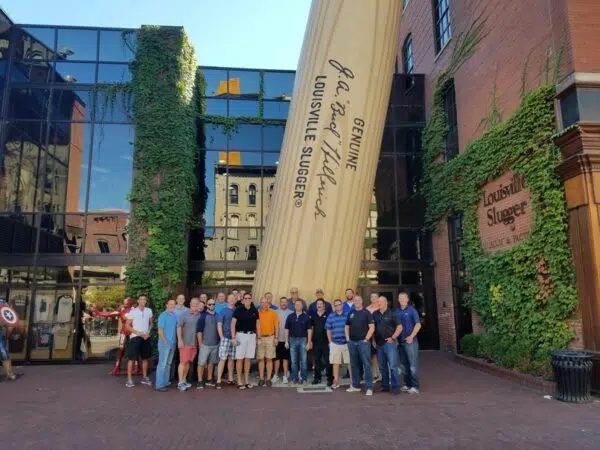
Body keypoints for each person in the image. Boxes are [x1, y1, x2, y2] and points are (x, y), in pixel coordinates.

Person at [345, 295, 375, 396]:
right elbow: (346, 327)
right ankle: (356, 386)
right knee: (354, 365)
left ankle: (369, 387)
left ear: (362, 301)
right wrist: (348, 339)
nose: (357, 301)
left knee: (366, 364)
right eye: (355, 300)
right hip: (352, 343)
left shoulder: (367, 313)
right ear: (353, 302)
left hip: (363, 343)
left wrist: (366, 339)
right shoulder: (351, 313)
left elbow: (372, 327)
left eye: (359, 300)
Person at [373, 296, 402, 394]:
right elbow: (373, 329)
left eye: (381, 301)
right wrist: (373, 340)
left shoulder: (392, 313)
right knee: (382, 367)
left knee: (393, 366)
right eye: (378, 302)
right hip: (379, 344)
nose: (379, 303)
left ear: (386, 303)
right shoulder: (375, 314)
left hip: (389, 344)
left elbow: (399, 327)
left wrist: (393, 337)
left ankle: (395, 387)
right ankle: (385, 386)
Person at [232, 292, 259, 389]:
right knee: (240, 358)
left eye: (249, 298)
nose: (247, 300)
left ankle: (247, 381)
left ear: (251, 299)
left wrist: (258, 337)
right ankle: (239, 381)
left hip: (251, 336)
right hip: (240, 335)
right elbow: (233, 323)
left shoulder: (254, 310)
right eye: (246, 298)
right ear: (243, 300)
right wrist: (233, 337)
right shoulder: (238, 310)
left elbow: (257, 324)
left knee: (248, 359)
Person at [125, 295, 153, 388]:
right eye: (141, 299)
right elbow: (127, 326)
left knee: (145, 358)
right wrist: (138, 332)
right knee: (131, 359)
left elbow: (151, 323)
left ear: (146, 301)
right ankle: (129, 379)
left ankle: (144, 378)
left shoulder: (149, 311)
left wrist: (148, 332)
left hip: (145, 338)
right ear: (138, 301)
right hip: (135, 337)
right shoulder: (133, 312)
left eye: (144, 299)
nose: (142, 301)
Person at [396, 292, 422, 394]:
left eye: (404, 298)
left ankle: (415, 386)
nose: (402, 300)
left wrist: (411, 336)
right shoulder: (396, 311)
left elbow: (418, 324)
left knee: (412, 365)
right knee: (403, 365)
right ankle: (407, 384)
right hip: (400, 342)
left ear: (407, 299)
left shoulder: (412, 310)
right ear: (398, 300)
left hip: (411, 342)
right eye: (400, 298)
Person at [285, 299, 312, 386]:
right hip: (292, 340)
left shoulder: (306, 317)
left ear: (302, 306)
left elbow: (309, 330)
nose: (297, 306)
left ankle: (304, 379)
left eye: (299, 304)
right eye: (296, 304)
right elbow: (286, 329)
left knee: (303, 361)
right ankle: (294, 378)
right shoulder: (290, 316)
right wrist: (286, 341)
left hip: (303, 340)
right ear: (294, 306)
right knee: (293, 361)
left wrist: (309, 342)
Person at [176, 297, 202, 391]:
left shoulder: (199, 315)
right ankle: (180, 383)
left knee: (187, 362)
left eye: (196, 303)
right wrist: (180, 340)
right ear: (190, 303)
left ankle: (184, 380)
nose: (194, 304)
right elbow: (179, 327)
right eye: (192, 303)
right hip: (185, 343)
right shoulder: (184, 314)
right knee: (183, 362)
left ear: (199, 304)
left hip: (194, 343)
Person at [326, 299, 351, 389]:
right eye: (335, 305)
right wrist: (330, 342)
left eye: (339, 305)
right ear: (334, 306)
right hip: (335, 342)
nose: (337, 306)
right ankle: (336, 381)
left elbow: (351, 327)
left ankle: (353, 382)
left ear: (342, 305)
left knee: (349, 362)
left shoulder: (347, 315)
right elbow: (328, 329)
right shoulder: (331, 316)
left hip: (347, 342)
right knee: (335, 363)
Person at [196, 298, 220, 389]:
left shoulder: (218, 315)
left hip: (215, 344)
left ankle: (209, 379)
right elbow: (199, 331)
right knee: (201, 363)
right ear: (207, 305)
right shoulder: (202, 316)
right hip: (205, 344)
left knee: (211, 363)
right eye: (209, 304)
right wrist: (200, 344)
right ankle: (199, 380)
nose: (211, 306)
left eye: (213, 304)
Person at [155, 299, 178, 392]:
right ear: (166, 305)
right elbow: (160, 331)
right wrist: (166, 342)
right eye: (170, 304)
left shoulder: (175, 315)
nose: (172, 305)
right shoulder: (163, 315)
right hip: (165, 344)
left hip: (173, 343)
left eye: (174, 304)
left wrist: (174, 342)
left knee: (168, 364)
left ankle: (165, 381)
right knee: (162, 364)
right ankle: (159, 385)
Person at [257, 296, 279, 387]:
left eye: (266, 302)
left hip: (270, 337)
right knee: (261, 359)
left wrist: (276, 338)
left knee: (269, 359)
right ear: (260, 303)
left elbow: (276, 326)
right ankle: (261, 378)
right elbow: (256, 326)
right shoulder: (257, 313)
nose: (264, 304)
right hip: (260, 338)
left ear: (268, 303)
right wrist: (257, 338)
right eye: (262, 302)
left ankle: (268, 379)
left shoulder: (273, 313)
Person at [216, 294, 236, 389]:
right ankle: (219, 380)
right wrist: (221, 337)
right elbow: (219, 324)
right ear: (227, 300)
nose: (232, 300)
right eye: (230, 298)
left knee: (231, 359)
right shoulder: (223, 311)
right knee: (222, 359)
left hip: (235, 338)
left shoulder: (237, 310)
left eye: (233, 298)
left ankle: (230, 379)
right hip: (226, 338)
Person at [310, 299, 333, 386]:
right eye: (317, 304)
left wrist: (331, 341)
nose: (319, 305)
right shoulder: (313, 316)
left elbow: (331, 328)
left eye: (321, 304)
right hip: (316, 342)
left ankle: (330, 379)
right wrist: (310, 341)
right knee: (316, 361)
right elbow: (311, 328)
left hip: (326, 342)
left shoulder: (329, 315)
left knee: (328, 361)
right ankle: (317, 378)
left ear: (324, 305)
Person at [272, 297, 292, 384]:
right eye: (282, 302)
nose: (283, 303)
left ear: (287, 303)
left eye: (285, 302)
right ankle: (275, 375)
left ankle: (285, 376)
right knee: (276, 358)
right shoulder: (275, 312)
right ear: (279, 303)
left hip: (286, 340)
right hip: (276, 339)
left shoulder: (291, 312)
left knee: (285, 358)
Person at [170, 294, 188, 381]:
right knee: (173, 356)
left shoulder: (187, 310)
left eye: (182, 298)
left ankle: (181, 377)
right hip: (172, 335)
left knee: (183, 358)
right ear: (176, 299)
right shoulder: (172, 309)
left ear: (184, 300)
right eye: (179, 298)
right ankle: (171, 377)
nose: (181, 300)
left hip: (183, 336)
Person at [0, 298, 17, 381]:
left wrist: (9, 328)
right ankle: (9, 373)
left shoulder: (2, 302)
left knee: (4, 354)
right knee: (4, 354)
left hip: (0, 333)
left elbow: (9, 316)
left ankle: (9, 373)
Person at [366, 293, 381, 382]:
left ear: (378, 298)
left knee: (382, 355)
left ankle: (382, 373)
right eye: (372, 297)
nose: (373, 298)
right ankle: (375, 373)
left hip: (380, 334)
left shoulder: (381, 307)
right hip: (371, 335)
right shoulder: (367, 309)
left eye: (375, 297)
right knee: (373, 355)